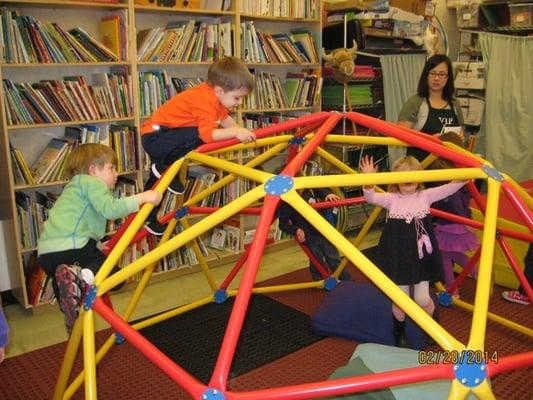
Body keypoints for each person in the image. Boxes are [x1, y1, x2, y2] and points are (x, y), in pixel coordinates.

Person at [37, 143, 162, 333]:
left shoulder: (72, 189)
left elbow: (76, 220)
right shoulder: (91, 182)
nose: (116, 174)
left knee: (62, 280)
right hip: (72, 247)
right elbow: (110, 209)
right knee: (113, 274)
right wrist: (142, 197)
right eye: (112, 168)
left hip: (46, 255)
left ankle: (70, 309)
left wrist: (95, 244)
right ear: (93, 170)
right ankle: (81, 277)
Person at [141, 56, 256, 235]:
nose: (239, 103)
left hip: (168, 140)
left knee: (156, 184)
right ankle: (162, 165)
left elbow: (224, 118)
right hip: (156, 138)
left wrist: (240, 131)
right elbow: (208, 135)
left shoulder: (216, 99)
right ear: (219, 91)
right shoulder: (205, 99)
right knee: (198, 135)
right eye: (237, 98)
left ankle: (147, 216)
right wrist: (235, 133)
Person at [360, 155, 466, 347]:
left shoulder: (425, 196)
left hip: (420, 257)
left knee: (422, 298)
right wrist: (368, 180)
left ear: (420, 178)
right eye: (402, 175)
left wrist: (465, 172)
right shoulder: (391, 199)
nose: (408, 179)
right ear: (394, 180)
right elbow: (371, 196)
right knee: (400, 300)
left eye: (412, 174)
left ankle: (433, 327)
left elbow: (450, 186)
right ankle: (399, 333)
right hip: (398, 255)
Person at [428, 132, 479, 298]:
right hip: (459, 221)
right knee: (453, 254)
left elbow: (454, 203)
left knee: (443, 256)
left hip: (450, 224)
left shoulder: (449, 176)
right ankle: (478, 274)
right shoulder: (460, 172)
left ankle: (452, 290)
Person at [397, 54, 464, 162]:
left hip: (448, 169)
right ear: (426, 75)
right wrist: (431, 140)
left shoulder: (455, 104)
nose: (436, 78)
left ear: (448, 78)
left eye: (442, 74)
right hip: (420, 169)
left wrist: (459, 138)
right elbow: (400, 137)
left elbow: (461, 136)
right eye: (433, 73)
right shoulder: (415, 103)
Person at [278, 186, 351, 282]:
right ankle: (320, 280)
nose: (301, 189)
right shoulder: (286, 203)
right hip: (309, 235)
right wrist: (296, 230)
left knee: (333, 257)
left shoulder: (310, 190)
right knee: (316, 260)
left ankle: (345, 279)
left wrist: (327, 194)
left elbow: (321, 190)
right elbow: (283, 225)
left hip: (323, 229)